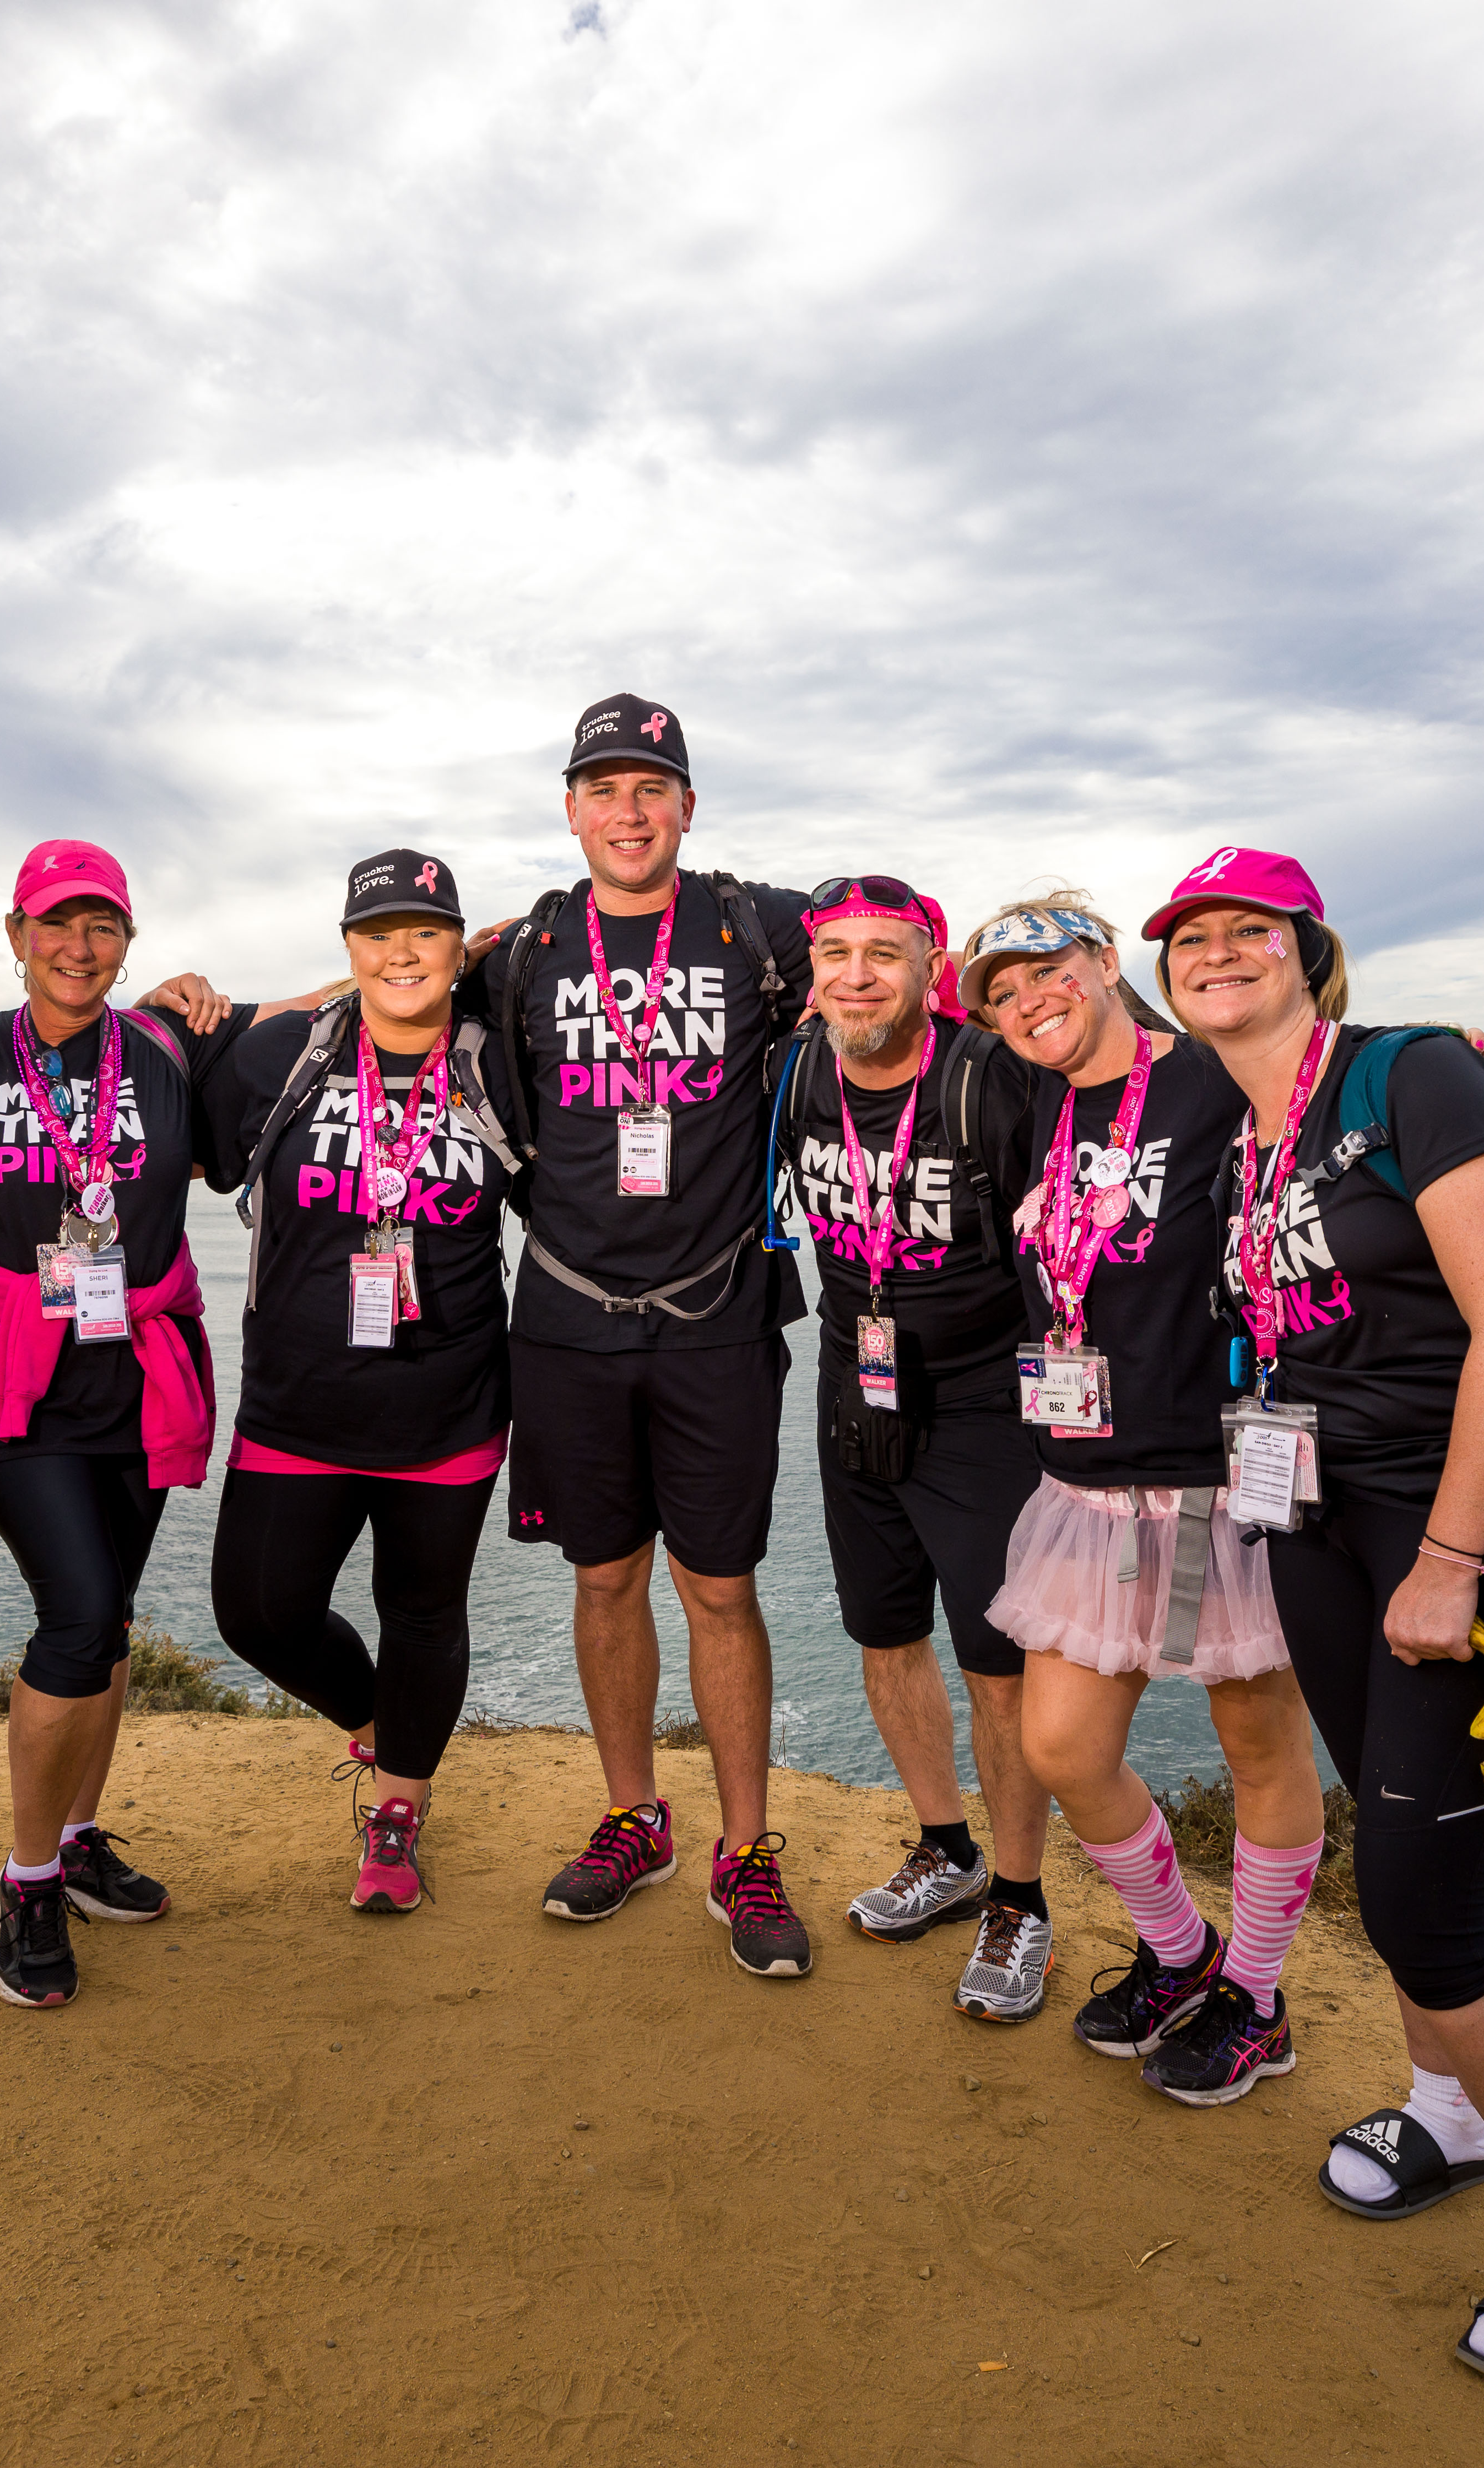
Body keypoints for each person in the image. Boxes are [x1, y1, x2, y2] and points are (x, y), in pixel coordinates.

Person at [1158, 845, 1484, 2400]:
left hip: (1472, 1546)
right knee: (1397, 1844)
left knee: (1430, 1912)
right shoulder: (1248, 1130)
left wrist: (1448, 1558)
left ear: (1310, 951)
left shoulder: (1418, 1075)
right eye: (1190, 937)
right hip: (1325, 1526)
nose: (1217, 952)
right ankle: (1448, 2115)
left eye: (1250, 931)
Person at [958, 891, 1331, 2110]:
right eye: (1002, 994)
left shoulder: (1214, 1074)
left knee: (1259, 1741)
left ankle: (1257, 1997)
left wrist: (1463, 1052)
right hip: (1088, 1482)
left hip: (1228, 1477)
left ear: (1109, 961)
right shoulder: (1035, 1105)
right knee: (1063, 1747)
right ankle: (1183, 1951)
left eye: (1048, 970)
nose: (1029, 1002)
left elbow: (1329, 1079)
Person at [472, 695, 820, 1978]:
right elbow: (382, 987)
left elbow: (908, 957)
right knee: (604, 1578)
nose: (629, 811)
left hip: (719, 1316)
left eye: (651, 787)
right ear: (571, 810)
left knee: (719, 1589)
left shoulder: (761, 925)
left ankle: (747, 1845)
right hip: (565, 1316)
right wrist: (206, 1003)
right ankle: (636, 1818)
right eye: (604, 789)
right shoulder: (525, 948)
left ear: (687, 805)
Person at [0, 838, 251, 2012]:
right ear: (15, 935)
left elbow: (310, 1017)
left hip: (133, 1366)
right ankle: (29, 1877)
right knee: (80, 1611)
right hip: (6, 1370)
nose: (78, 945)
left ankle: (78, 1834)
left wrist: (455, 954)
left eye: (103, 925)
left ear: (129, 942)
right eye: (56, 922)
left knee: (109, 1624)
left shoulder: (163, 1048)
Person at [198, 849, 529, 1913]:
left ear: (458, 946)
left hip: (451, 1402)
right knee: (260, 1612)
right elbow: (175, 1134)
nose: (402, 952)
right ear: (348, 948)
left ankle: (398, 1808)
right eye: (379, 933)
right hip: (297, 1399)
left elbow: (574, 1202)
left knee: (422, 1613)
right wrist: (179, 1002)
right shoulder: (279, 1056)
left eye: (426, 932)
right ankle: (391, 1728)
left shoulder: (503, 1064)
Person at [775, 876, 1064, 2022]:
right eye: (835, 952)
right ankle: (947, 1848)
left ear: (930, 968)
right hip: (855, 1381)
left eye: (884, 954)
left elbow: (1140, 1091)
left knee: (999, 1664)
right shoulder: (795, 1069)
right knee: (885, 1634)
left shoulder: (995, 1075)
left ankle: (1022, 1898)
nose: (857, 975)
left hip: (988, 1400)